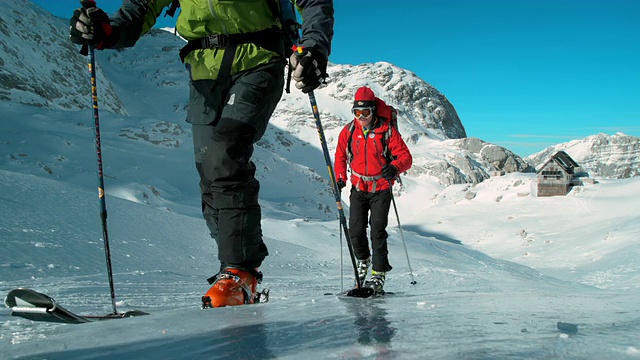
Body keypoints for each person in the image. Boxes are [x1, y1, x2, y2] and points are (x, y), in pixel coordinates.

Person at [69, 0, 334, 307]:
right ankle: (232, 268)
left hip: (260, 58)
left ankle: (240, 271)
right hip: (204, 70)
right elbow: (141, 8)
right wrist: (108, 32)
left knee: (225, 153)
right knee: (209, 172)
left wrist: (315, 47)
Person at [333, 86, 412, 294]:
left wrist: (394, 167)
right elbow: (340, 156)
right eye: (357, 113)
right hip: (359, 187)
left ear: (372, 111)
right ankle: (363, 261)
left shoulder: (387, 131)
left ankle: (378, 274)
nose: (361, 117)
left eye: (365, 113)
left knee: (377, 231)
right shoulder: (349, 131)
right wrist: (340, 177)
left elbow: (406, 158)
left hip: (381, 188)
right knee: (356, 230)